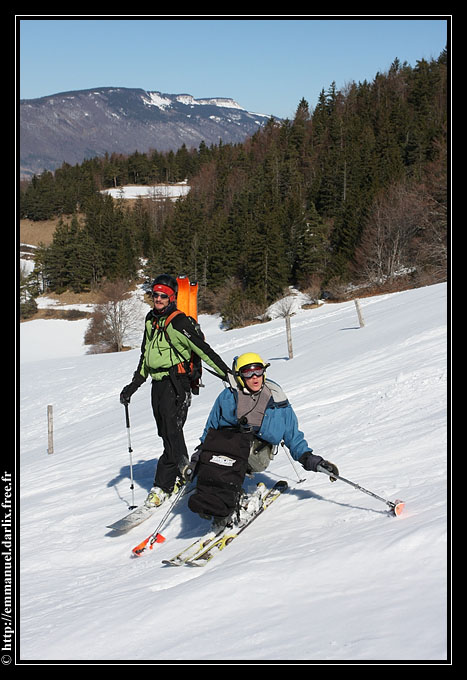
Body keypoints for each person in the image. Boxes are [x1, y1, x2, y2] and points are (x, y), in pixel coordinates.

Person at [184, 352, 339, 532]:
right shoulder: (227, 397)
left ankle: (228, 502)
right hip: (230, 444)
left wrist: (312, 461)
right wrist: (198, 457)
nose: (254, 377)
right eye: (248, 373)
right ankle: (212, 498)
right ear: (239, 376)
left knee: (231, 455)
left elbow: (292, 434)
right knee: (217, 453)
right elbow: (211, 430)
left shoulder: (277, 400)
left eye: (258, 371)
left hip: (257, 451)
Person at [120, 274, 231, 508]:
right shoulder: (151, 320)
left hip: (177, 383)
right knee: (166, 433)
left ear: (171, 298)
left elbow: (203, 350)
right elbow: (145, 357)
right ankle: (185, 471)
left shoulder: (179, 322)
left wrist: (227, 374)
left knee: (171, 432)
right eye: (154, 295)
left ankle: (162, 485)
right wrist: (133, 385)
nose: (157, 299)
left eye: (163, 295)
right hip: (158, 385)